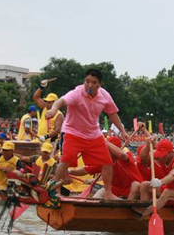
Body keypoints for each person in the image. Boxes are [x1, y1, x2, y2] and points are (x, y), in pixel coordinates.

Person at [45, 68, 129, 201]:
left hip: (93, 134)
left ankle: (108, 193)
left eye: (94, 82)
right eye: (87, 81)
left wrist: (123, 131)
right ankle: (56, 192)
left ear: (100, 84)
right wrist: (54, 109)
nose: (89, 85)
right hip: (73, 132)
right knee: (65, 160)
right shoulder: (77, 93)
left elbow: (112, 114)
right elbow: (61, 101)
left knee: (107, 162)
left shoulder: (105, 96)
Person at [139, 138, 174, 217]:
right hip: (169, 190)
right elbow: (143, 157)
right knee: (144, 185)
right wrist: (148, 144)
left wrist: (160, 182)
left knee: (167, 192)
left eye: (163, 155)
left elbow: (172, 175)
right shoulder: (162, 157)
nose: (160, 158)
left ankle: (144, 214)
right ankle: (144, 210)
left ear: (170, 152)